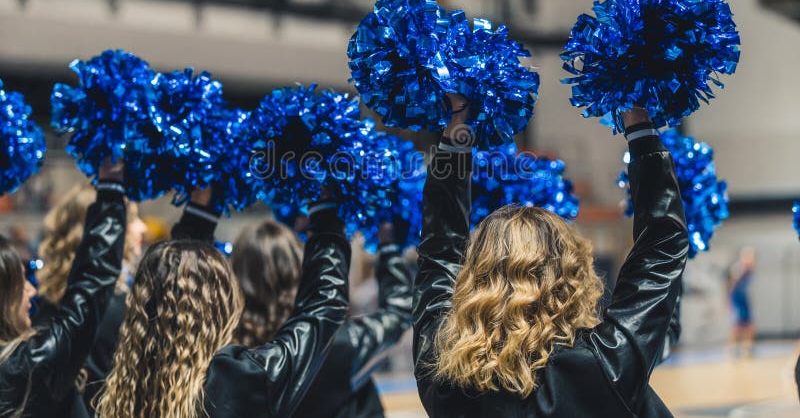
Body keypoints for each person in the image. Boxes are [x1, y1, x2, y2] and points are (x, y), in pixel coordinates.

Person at [413, 100, 689, 417]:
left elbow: (438, 251)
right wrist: (638, 118)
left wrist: (457, 128)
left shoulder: (442, 371)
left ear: (473, 277)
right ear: (570, 276)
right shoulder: (606, 363)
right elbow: (662, 244)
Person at [93, 188, 352, 417]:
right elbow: (321, 311)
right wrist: (325, 213)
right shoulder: (236, 382)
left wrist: (201, 209)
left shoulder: (128, 386)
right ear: (220, 306)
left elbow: (174, 278)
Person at [168, 189, 414, 418]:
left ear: (235, 277)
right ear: (301, 270)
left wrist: (199, 213)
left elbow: (185, 303)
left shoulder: (223, 357)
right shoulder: (335, 342)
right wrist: (389, 244)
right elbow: (396, 312)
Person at [0, 161, 127, 417]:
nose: (31, 291)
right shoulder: (26, 366)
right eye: (22, 282)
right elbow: (91, 287)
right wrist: (111, 189)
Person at [31, 183, 147, 411]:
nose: (142, 227)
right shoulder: (116, 307)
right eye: (132, 218)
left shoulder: (46, 300)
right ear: (100, 229)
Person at [728, 246, 756, 357]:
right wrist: (730, 302)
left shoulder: (750, 269)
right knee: (737, 326)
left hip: (743, 298)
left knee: (749, 325)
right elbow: (731, 286)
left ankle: (747, 348)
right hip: (737, 299)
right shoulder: (739, 269)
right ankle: (732, 348)